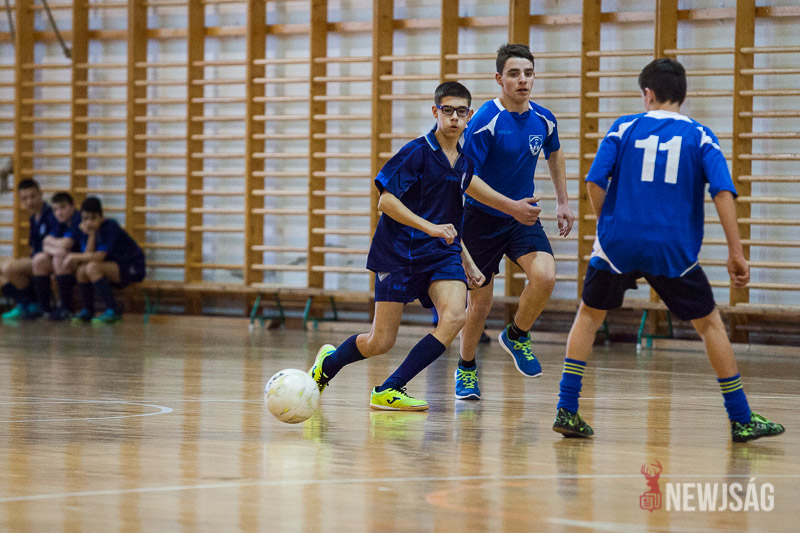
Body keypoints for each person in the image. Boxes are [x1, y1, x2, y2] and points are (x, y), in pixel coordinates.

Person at [552, 58, 784, 443]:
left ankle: (567, 408)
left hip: (617, 243)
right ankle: (741, 418)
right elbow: (722, 192)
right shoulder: (701, 135)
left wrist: (609, 225)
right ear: (683, 96)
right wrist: (736, 252)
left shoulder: (624, 126)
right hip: (671, 248)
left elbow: (594, 181)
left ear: (648, 94)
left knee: (589, 315)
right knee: (709, 324)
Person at [309, 82, 542, 411]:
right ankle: (328, 365)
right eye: (448, 110)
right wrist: (430, 228)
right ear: (435, 112)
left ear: (469, 116)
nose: (454, 118)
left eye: (461, 112)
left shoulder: (465, 165)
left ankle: (391, 388)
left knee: (455, 316)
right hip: (398, 253)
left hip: (441, 255)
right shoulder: (416, 152)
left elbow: (452, 220)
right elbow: (386, 202)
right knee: (380, 341)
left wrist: (468, 262)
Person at [456, 43, 576, 400]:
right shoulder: (485, 121)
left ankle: (517, 334)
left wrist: (563, 201)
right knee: (480, 305)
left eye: (528, 73)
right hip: (482, 220)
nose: (522, 80)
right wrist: (511, 207)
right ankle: (466, 368)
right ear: (499, 79)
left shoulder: (544, 119)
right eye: (513, 74)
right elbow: (467, 180)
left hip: (520, 217)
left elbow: (555, 153)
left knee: (545, 276)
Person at [64, 197, 146, 324]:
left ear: (101, 217)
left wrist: (72, 256)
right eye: (85, 218)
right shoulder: (87, 230)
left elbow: (100, 256)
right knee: (82, 269)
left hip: (131, 266)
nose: (89, 222)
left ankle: (113, 310)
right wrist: (91, 235)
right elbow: (88, 255)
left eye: (93, 218)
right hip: (112, 267)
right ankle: (88, 310)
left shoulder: (110, 226)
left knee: (92, 267)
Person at [0, 179, 59, 320]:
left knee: (8, 268)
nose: (29, 201)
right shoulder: (33, 218)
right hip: (35, 259)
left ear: (40, 194)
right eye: (25, 198)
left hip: (49, 261)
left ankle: (30, 304)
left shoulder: (51, 215)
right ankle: (25, 303)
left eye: (32, 196)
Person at [30, 192, 82, 320]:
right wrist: (57, 249)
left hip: (82, 260)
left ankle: (66, 308)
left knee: (59, 258)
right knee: (38, 260)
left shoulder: (78, 219)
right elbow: (45, 242)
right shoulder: (60, 222)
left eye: (62, 207)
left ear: (72, 206)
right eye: (55, 209)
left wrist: (55, 247)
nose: (59, 212)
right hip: (65, 260)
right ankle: (44, 308)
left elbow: (67, 244)